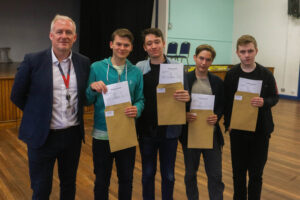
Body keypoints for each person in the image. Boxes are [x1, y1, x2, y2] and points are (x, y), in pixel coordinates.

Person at [10, 14, 91, 199]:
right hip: (42, 136)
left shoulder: (83, 62)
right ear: (51, 35)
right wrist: (38, 114)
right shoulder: (33, 60)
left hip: (72, 136)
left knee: (69, 184)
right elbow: (16, 95)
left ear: (75, 37)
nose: (64, 36)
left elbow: (84, 97)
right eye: (59, 31)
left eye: (68, 32)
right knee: (41, 188)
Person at [86, 28, 144, 200]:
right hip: (102, 136)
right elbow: (87, 100)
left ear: (131, 48)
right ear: (111, 45)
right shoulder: (96, 67)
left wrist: (137, 109)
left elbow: (140, 99)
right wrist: (92, 88)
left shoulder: (136, 72)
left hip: (126, 135)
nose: (122, 48)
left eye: (126, 45)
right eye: (118, 44)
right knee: (102, 181)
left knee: (126, 180)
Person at [136, 28, 190, 200]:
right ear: (145, 47)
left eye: (157, 42)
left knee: (169, 175)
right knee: (147, 174)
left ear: (163, 43)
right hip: (146, 131)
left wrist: (187, 97)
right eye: (149, 43)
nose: (154, 46)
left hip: (170, 131)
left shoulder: (177, 68)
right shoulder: (139, 68)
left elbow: (186, 95)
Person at [224, 35, 279, 200]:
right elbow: (227, 102)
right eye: (243, 51)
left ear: (256, 51)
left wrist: (264, 101)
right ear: (237, 53)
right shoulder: (232, 74)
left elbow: (274, 97)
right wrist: (228, 124)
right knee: (238, 173)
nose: (247, 55)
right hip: (238, 131)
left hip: (261, 132)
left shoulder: (266, 74)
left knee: (256, 174)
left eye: (250, 51)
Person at [180, 44, 225, 200]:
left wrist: (217, 116)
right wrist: (183, 115)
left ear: (211, 62)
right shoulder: (184, 79)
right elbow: (176, 105)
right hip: (190, 134)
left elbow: (221, 105)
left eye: (208, 59)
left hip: (211, 135)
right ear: (194, 58)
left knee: (215, 175)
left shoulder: (218, 82)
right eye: (201, 58)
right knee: (190, 174)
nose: (203, 62)